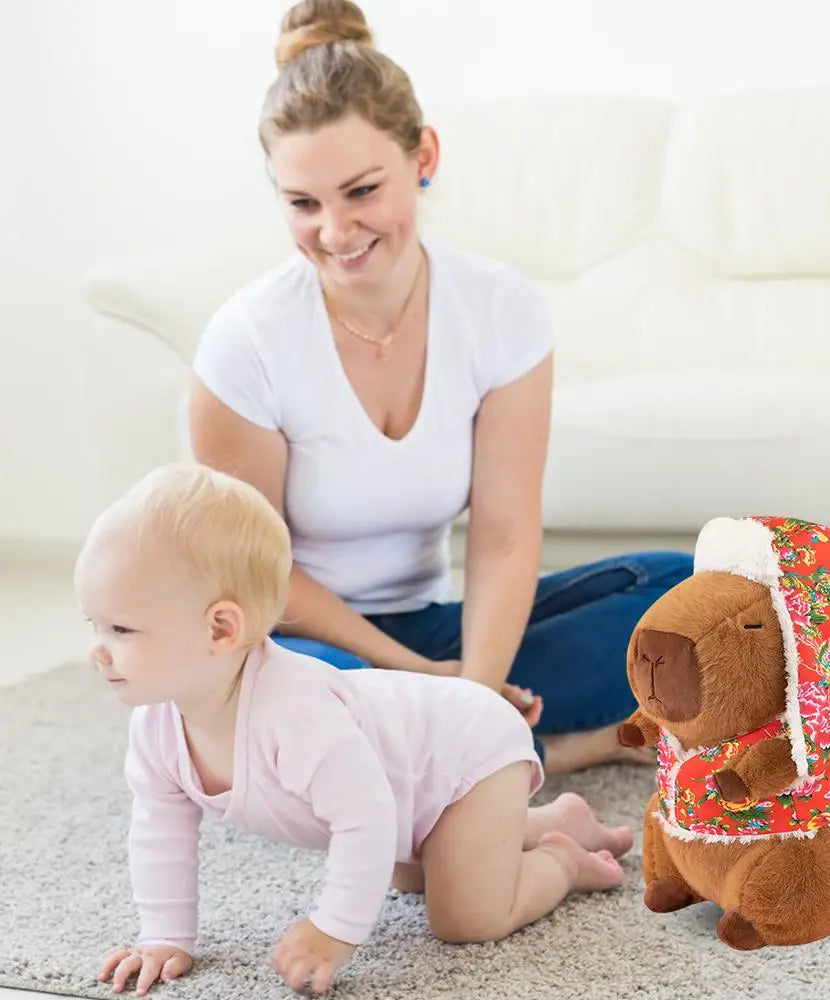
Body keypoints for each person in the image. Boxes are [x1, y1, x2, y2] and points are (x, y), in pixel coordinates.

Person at [189, 0, 694, 774]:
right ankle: (541, 750)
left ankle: (471, 749)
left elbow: (502, 534)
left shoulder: (501, 311)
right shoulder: (246, 341)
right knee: (328, 707)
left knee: (688, 595)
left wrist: (476, 686)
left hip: (435, 631)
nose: (334, 230)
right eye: (303, 203)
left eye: (361, 191)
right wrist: (426, 682)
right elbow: (261, 578)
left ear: (422, 155)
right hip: (299, 647)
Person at [79, 464, 633, 996]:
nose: (96, 652)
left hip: (468, 749)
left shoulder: (294, 713)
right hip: (406, 785)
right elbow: (160, 829)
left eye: (121, 628)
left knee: (466, 917)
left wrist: (334, 930)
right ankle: (552, 819)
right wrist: (165, 937)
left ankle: (561, 860)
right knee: (411, 875)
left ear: (221, 629)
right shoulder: (155, 727)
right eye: (94, 625)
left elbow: (365, 821)